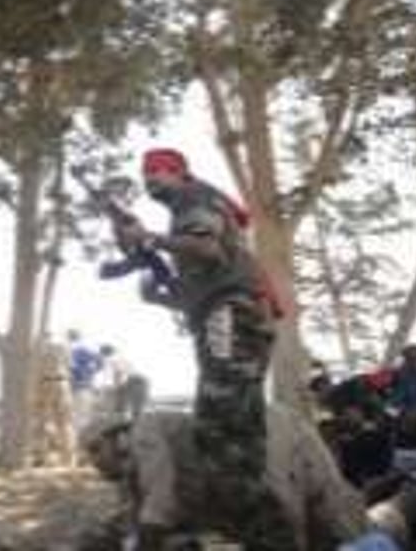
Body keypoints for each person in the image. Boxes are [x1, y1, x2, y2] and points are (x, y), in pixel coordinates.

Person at [118, 147, 298, 550]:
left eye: (157, 173)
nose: (149, 182)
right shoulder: (186, 209)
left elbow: (207, 247)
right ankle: (267, 537)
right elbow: (200, 287)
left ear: (181, 173)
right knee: (239, 436)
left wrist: (147, 237)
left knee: (219, 431)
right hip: (229, 316)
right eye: (145, 175)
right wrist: (159, 297)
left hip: (231, 316)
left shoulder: (194, 197)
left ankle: (254, 534)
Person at [81, 404, 368, 551]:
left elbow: (159, 506)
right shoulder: (132, 480)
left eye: (96, 449)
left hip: (268, 441)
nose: (95, 461)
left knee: (331, 524)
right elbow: (137, 522)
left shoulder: (144, 430)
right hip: (248, 471)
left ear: (118, 437)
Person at [31, 334, 76, 467]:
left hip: (44, 383)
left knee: (41, 422)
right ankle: (68, 459)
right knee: (65, 423)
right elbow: (70, 366)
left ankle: (40, 457)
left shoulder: (37, 347)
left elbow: (33, 369)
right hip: (63, 383)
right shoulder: (63, 347)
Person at [67, 329, 103, 429]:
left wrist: (88, 372)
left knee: (73, 414)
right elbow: (100, 362)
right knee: (80, 416)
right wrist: (91, 372)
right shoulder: (84, 349)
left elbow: (99, 362)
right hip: (82, 386)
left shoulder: (75, 349)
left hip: (74, 385)